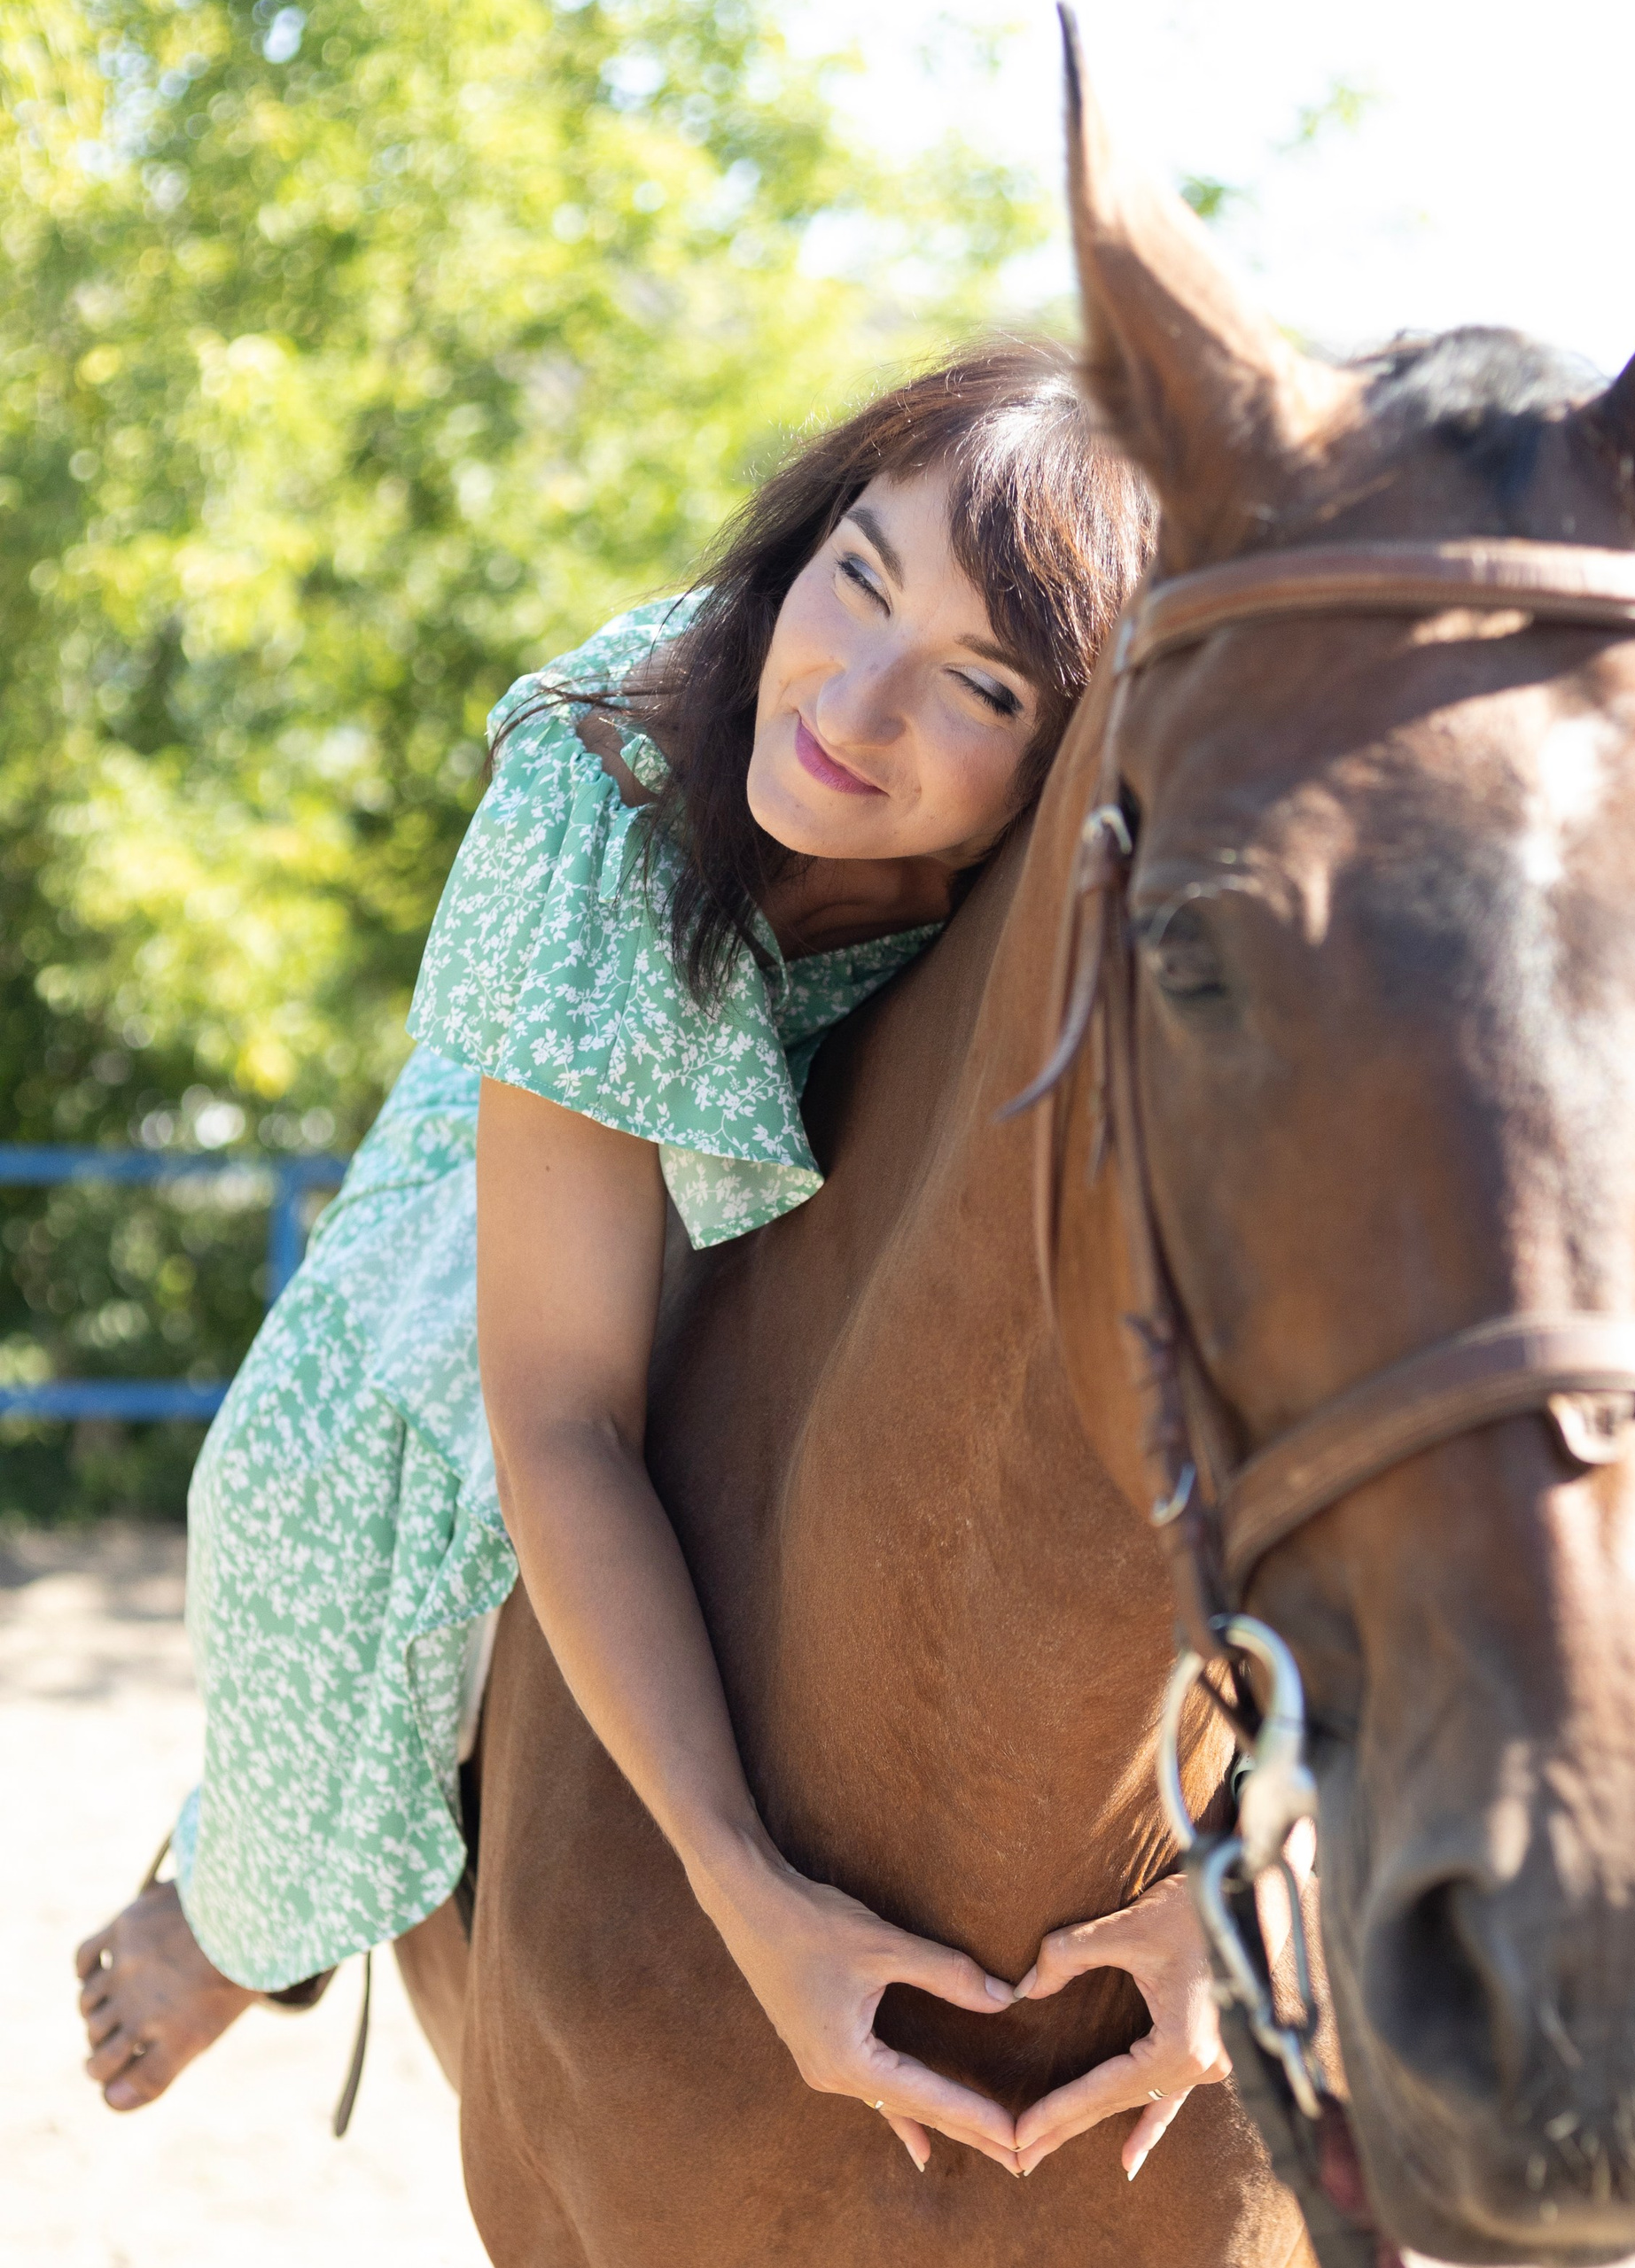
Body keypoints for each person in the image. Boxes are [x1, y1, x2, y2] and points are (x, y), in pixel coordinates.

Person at [74, 341, 1210, 2179]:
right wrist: (744, 1888)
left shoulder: (1087, 880)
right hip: (578, 1062)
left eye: (979, 679)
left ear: (1070, 748)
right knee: (315, 1470)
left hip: (868, 1098)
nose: (853, 696)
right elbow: (561, 1405)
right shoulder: (601, 775)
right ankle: (244, 1898)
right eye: (855, 573)